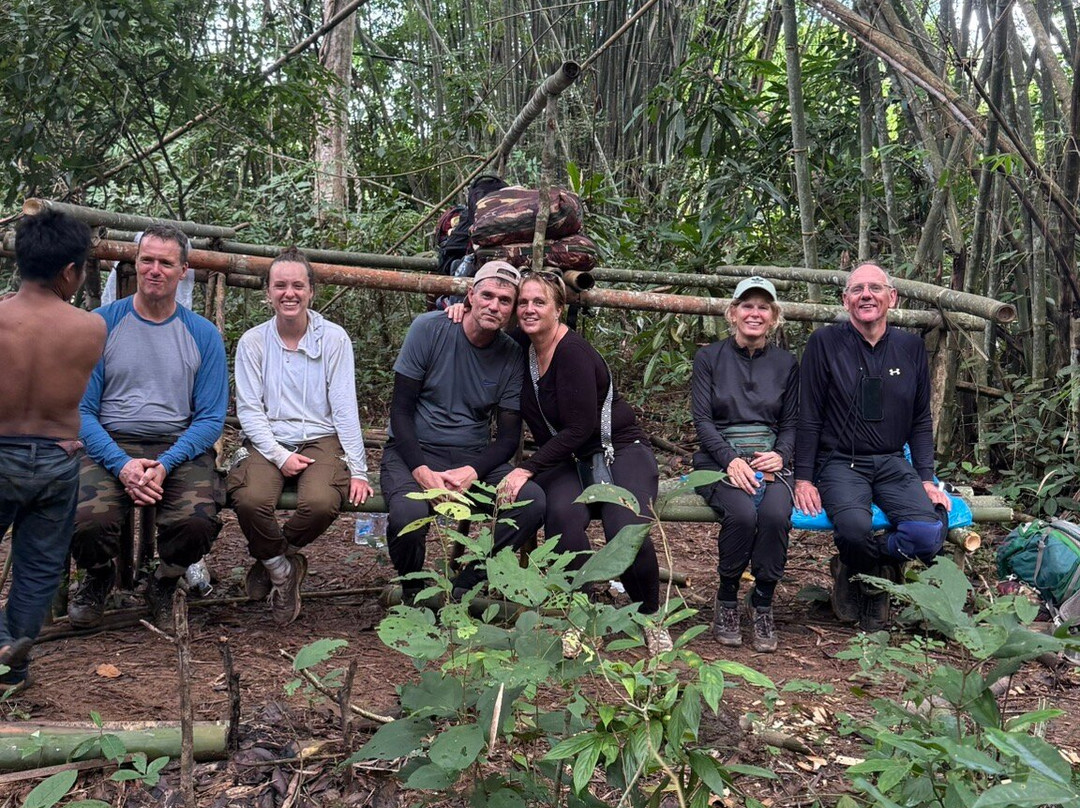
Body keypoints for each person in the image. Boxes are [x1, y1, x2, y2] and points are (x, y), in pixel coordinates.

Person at [497, 271, 672, 656]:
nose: (528, 309)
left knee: (624, 527)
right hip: (565, 459)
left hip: (617, 450)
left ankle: (650, 616)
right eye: (523, 302)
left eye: (539, 302)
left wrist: (526, 467)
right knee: (561, 517)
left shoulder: (572, 352)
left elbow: (580, 427)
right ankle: (581, 613)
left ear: (559, 309)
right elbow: (482, 327)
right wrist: (459, 310)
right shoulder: (520, 347)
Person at [68, 223, 229, 629]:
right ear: (135, 264)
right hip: (109, 440)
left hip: (179, 443)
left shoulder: (203, 335)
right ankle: (100, 574)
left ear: (183, 270)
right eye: (147, 260)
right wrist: (123, 464)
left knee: (196, 520)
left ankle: (164, 579)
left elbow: (210, 417)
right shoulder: (99, 326)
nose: (155, 270)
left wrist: (166, 463)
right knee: (83, 517)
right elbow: (82, 411)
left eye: (165, 262)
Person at [793, 262, 951, 631]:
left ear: (891, 298)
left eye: (875, 288)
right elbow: (809, 416)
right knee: (852, 529)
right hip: (839, 462)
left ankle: (864, 566)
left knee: (928, 534)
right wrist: (803, 479)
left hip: (893, 462)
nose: (867, 295)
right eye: (858, 289)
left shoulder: (911, 347)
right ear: (846, 300)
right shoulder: (824, 343)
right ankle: (873, 584)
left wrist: (927, 478)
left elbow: (920, 421)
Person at [382, 260, 545, 602]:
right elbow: (400, 411)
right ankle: (413, 591)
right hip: (414, 451)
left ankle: (467, 582)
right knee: (406, 515)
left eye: (504, 300)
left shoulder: (512, 355)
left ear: (513, 310)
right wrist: (421, 471)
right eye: (487, 295)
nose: (494, 306)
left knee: (531, 502)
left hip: (470, 458)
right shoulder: (429, 329)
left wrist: (474, 471)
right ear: (470, 295)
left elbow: (507, 437)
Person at [228, 248, 373, 625]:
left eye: (297, 285)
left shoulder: (334, 339)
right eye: (280, 286)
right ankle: (281, 570)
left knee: (323, 502)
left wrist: (358, 469)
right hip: (268, 437)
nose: (288, 293)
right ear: (268, 293)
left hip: (320, 437)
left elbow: (344, 406)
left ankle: (274, 556)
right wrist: (278, 455)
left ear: (311, 291)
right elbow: (249, 410)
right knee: (250, 498)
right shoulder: (253, 342)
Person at [0, 210, 106, 689]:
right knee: (40, 566)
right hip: (56, 459)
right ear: (70, 271)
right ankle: (12, 660)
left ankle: (4, 646)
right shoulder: (89, 329)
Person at [691, 276, 798, 652]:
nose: (755, 313)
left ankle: (764, 601)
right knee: (740, 514)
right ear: (733, 313)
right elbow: (702, 421)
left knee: (773, 514)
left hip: (769, 455)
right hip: (719, 456)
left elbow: (792, 422)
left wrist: (781, 454)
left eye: (763, 307)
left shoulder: (787, 363)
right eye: (747, 306)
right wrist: (730, 460)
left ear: (773, 317)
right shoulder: (709, 358)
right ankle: (728, 598)